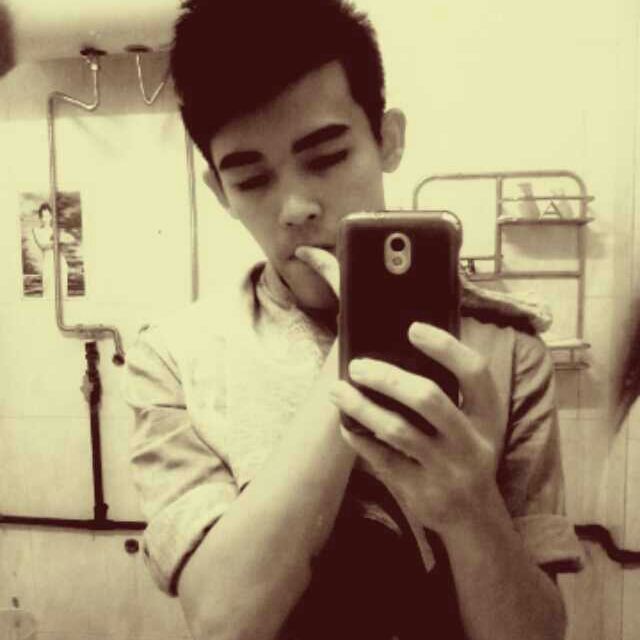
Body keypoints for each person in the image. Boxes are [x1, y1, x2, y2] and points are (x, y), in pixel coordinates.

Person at [123, 1, 584, 639]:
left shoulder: (505, 351)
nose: (295, 207)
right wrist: (355, 344)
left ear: (387, 140)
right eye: (251, 180)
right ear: (219, 192)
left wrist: (470, 508)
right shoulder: (175, 357)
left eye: (328, 157)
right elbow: (225, 623)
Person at [31, 202, 71, 298]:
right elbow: (42, 245)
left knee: (62, 294)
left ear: (51, 216)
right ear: (40, 218)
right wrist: (57, 241)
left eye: (48, 216)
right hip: (48, 263)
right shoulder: (37, 231)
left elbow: (68, 241)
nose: (46, 219)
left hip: (60, 263)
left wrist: (62, 240)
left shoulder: (56, 231)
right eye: (44, 216)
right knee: (48, 294)